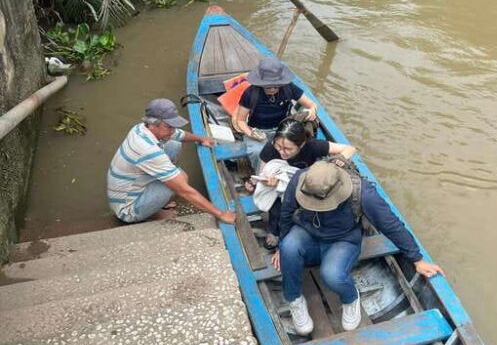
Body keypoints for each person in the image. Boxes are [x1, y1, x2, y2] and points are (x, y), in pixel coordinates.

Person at [273, 161, 444, 335]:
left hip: (342, 239)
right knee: (288, 247)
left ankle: (350, 298)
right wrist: (280, 246)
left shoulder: (362, 192)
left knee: (331, 274)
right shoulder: (299, 180)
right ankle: (294, 299)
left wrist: (417, 259)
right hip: (306, 230)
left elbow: (391, 225)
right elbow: (286, 214)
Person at [107, 98, 236, 225]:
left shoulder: (141, 128)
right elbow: (184, 191)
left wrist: (201, 139)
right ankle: (152, 212)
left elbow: (178, 134)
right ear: (152, 124)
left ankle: (159, 201)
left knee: (174, 144)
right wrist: (221, 214)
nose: (173, 130)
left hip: (133, 187)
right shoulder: (148, 150)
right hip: (127, 209)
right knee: (180, 180)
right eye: (169, 126)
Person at [253, 118, 356, 250]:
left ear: (301, 145)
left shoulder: (313, 146)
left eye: (288, 149)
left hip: (308, 186)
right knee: (278, 208)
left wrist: (337, 162)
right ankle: (274, 231)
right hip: (280, 189)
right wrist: (268, 181)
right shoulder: (270, 148)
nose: (281, 152)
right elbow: (263, 173)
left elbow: (349, 149)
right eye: (278, 146)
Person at [233, 57, 317, 169]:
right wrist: (251, 133)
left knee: (297, 148)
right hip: (258, 130)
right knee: (258, 152)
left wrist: (312, 111)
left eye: (276, 86)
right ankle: (261, 176)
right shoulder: (250, 93)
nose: (272, 89)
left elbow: (311, 104)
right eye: (268, 87)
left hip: (282, 129)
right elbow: (241, 121)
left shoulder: (288, 88)